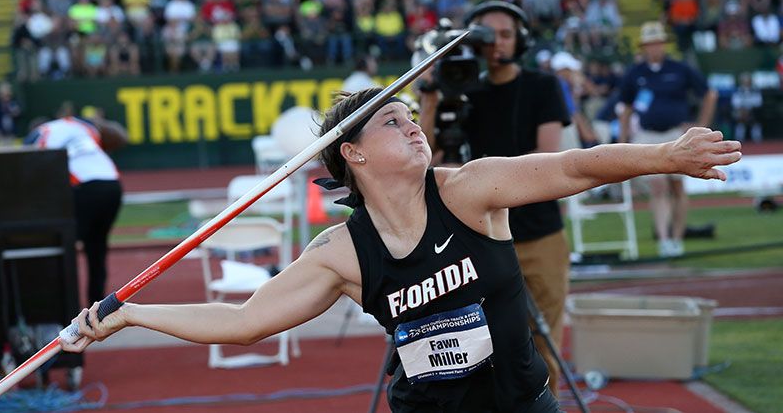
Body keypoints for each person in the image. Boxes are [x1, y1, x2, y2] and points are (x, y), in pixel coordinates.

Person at [61, 87, 741, 412]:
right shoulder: (341, 253)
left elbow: (573, 167)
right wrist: (131, 314)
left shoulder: (471, 190)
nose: (414, 127)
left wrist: (665, 155)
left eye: (413, 117)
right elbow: (244, 322)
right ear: (352, 154)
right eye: (393, 121)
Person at [418, 0, 571, 396]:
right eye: (487, 37)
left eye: (506, 35)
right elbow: (429, 157)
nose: (497, 45)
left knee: (541, 342)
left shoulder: (543, 86)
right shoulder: (461, 92)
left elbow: (550, 162)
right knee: (477, 343)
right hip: (479, 239)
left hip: (539, 235)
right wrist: (432, 99)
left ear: (521, 40)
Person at [618, 21, 717, 257]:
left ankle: (677, 238)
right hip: (648, 134)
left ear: (664, 44)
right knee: (657, 186)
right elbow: (627, 106)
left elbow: (709, 94)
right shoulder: (635, 73)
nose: (654, 48)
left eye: (658, 43)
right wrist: (623, 139)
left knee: (678, 185)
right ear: (644, 47)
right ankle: (664, 239)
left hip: (676, 133)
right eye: (650, 44)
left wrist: (701, 125)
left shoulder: (680, 69)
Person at [24, 102, 126, 305]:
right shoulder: (79, 124)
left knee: (63, 250)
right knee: (97, 248)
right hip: (113, 185)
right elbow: (121, 137)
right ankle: (99, 310)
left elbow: (28, 169)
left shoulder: (39, 134)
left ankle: (66, 310)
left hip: (84, 188)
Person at [0, 81, 21, 146]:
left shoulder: (13, 103)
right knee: (2, 150)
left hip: (11, 132)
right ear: (0, 94)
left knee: (11, 151)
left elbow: (19, 115)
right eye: (4, 93)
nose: (6, 96)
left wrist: (15, 113)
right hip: (0, 133)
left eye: (8, 93)